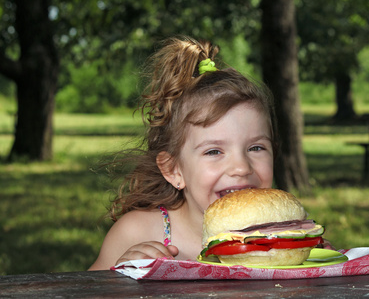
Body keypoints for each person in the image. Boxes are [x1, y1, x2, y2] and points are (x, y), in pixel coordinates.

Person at [88, 36, 278, 270]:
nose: (242, 168)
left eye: (256, 148)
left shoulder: (285, 232)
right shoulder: (137, 232)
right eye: (214, 151)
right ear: (173, 170)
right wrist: (122, 279)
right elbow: (90, 290)